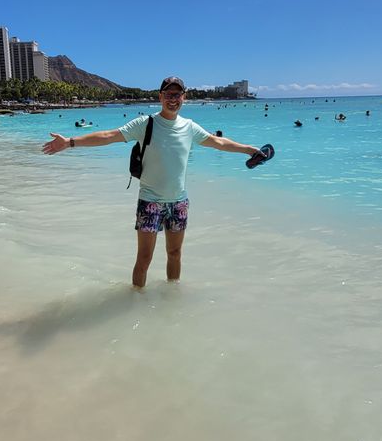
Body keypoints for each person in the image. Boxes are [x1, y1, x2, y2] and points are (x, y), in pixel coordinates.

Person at [41, 76, 264, 288]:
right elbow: (109, 136)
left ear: (184, 97)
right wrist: (70, 142)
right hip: (150, 202)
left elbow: (218, 142)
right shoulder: (145, 124)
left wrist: (248, 150)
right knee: (144, 258)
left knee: (175, 254)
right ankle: (136, 301)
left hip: (179, 203)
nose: (173, 99)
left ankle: (171, 298)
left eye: (177, 94)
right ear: (160, 96)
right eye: (169, 94)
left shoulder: (189, 127)